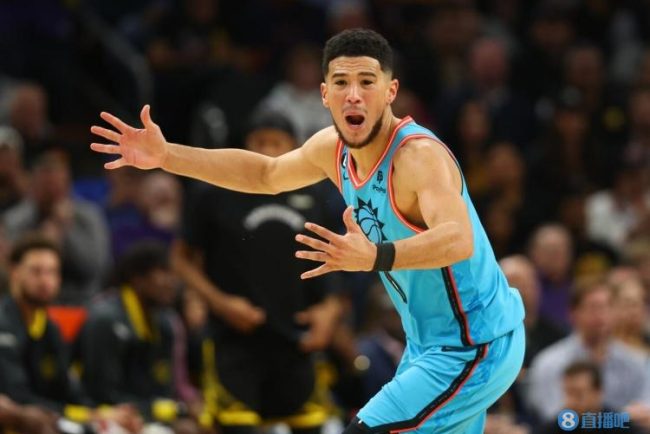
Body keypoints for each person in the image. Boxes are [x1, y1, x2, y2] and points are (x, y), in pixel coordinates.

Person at [90, 28, 526, 434]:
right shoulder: (331, 149)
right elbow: (264, 174)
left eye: (367, 82)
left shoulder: (417, 157)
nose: (353, 94)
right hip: (429, 344)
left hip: (475, 342)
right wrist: (167, 156)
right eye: (341, 82)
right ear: (324, 94)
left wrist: (375, 257)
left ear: (391, 91)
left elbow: (458, 239)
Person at [172, 109, 343, 434]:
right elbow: (180, 259)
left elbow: (337, 256)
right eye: (260, 142)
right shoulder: (214, 191)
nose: (268, 150)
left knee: (312, 426)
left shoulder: (315, 193)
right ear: (245, 144)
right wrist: (219, 303)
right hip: (234, 338)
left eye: (277, 143)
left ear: (295, 146)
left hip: (297, 339)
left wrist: (330, 310)